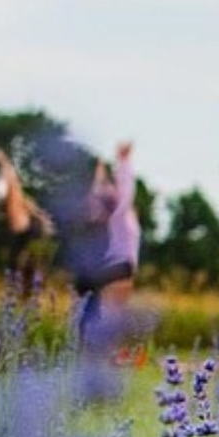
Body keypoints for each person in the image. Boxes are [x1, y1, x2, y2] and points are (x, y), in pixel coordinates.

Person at [75, 142, 142, 363]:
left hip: (121, 265)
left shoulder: (122, 214)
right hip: (120, 265)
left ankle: (93, 343)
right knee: (106, 308)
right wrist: (112, 167)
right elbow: (103, 193)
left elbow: (123, 189)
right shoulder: (118, 215)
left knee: (89, 288)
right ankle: (101, 349)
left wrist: (122, 162)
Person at [0, 146, 56, 299]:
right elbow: (27, 203)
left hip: (30, 229)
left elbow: (10, 174)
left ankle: (29, 294)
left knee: (27, 263)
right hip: (24, 230)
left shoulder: (12, 187)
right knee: (13, 263)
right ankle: (20, 295)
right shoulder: (13, 198)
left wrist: (2, 159)